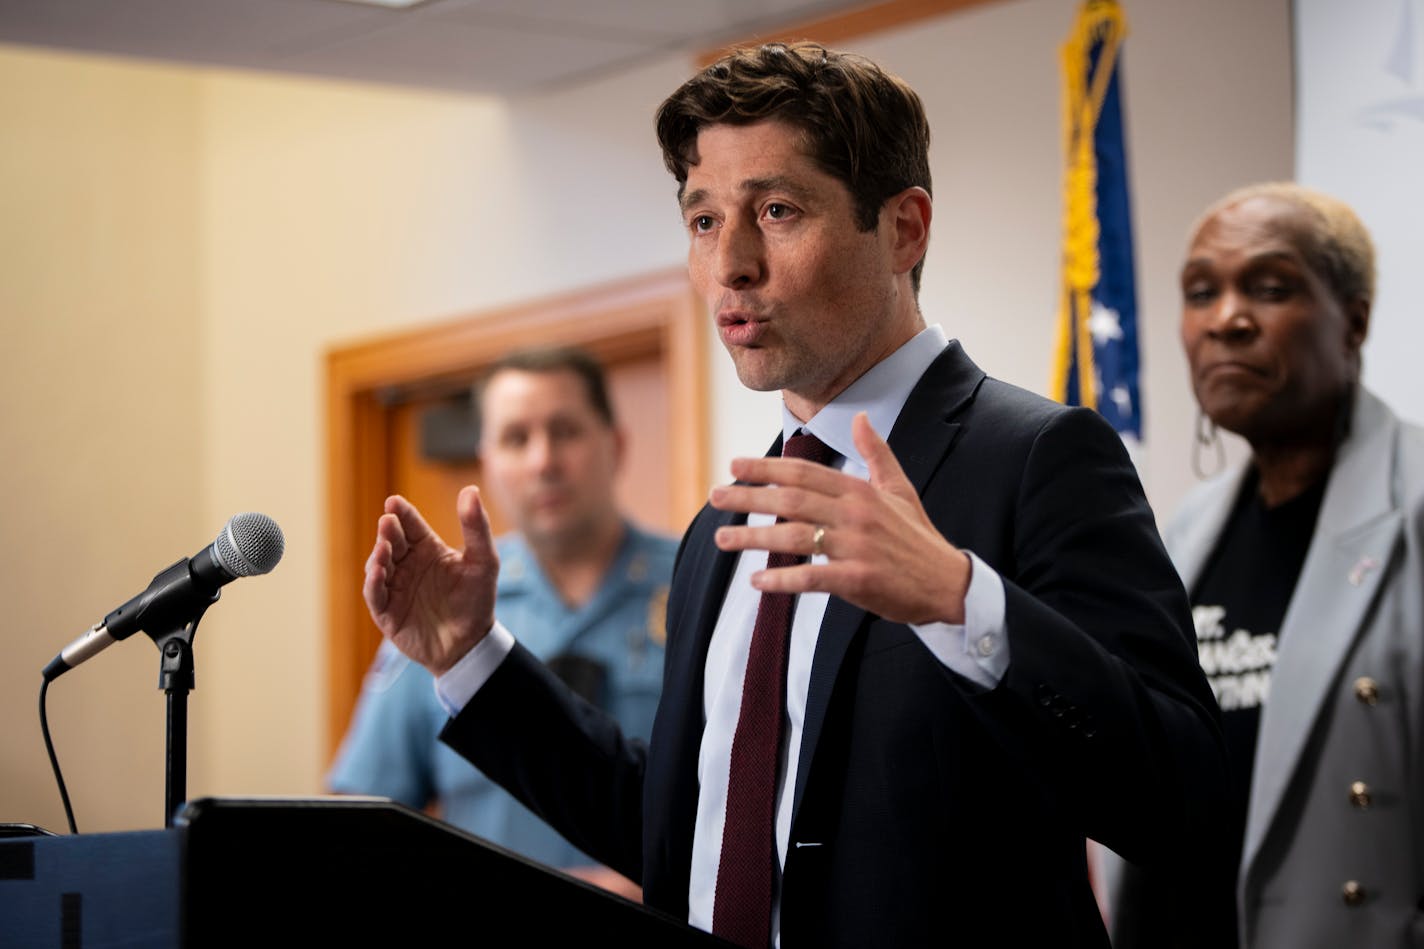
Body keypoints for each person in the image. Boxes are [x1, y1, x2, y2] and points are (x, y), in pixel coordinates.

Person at [362, 43, 1228, 948]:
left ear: (904, 228)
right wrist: (471, 659)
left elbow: (1185, 794)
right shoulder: (724, 527)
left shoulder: (1037, 458)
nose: (731, 263)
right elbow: (681, 841)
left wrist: (962, 600)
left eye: (776, 210)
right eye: (703, 221)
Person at [1107, 183, 1424, 949]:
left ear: (1353, 320)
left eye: (1270, 287)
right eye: (1201, 292)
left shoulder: (1414, 506)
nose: (1227, 318)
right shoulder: (1184, 532)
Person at [329, 345, 676, 895]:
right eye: (517, 438)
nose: (544, 461)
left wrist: (660, 886)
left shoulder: (694, 590)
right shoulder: (444, 609)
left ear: (616, 444)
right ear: (487, 459)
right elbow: (360, 822)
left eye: (565, 431)